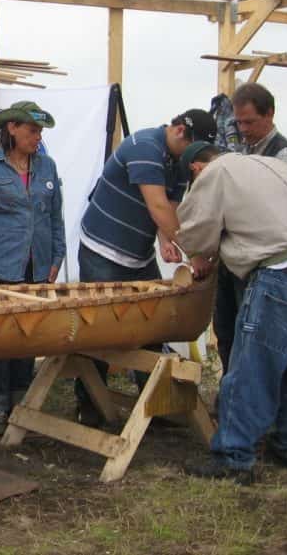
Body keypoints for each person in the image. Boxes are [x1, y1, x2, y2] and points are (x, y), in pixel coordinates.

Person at [176, 142, 287, 484]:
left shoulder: (215, 173)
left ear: (196, 169)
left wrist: (198, 255)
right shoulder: (265, 164)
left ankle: (234, 457)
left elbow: (198, 229)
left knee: (252, 366)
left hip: (282, 268)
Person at [75, 109, 217, 426]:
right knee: (98, 328)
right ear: (179, 130)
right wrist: (193, 255)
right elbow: (155, 204)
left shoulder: (180, 161)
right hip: (103, 249)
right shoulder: (144, 147)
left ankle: (153, 405)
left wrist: (165, 241)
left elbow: (171, 208)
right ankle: (89, 406)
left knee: (154, 326)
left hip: (138, 254)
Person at [0, 101, 66, 436]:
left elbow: (55, 218)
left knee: (27, 336)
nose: (38, 137)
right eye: (33, 130)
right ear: (12, 128)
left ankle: (22, 406)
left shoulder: (48, 167)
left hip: (36, 266)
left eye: (40, 132)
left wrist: (57, 257)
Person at [215, 83, 287, 380]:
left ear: (269, 114)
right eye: (239, 122)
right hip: (233, 262)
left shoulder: (285, 156)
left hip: (264, 267)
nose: (243, 129)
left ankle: (256, 408)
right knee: (227, 331)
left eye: (250, 122)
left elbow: (279, 213)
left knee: (254, 338)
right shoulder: (242, 150)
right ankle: (233, 396)